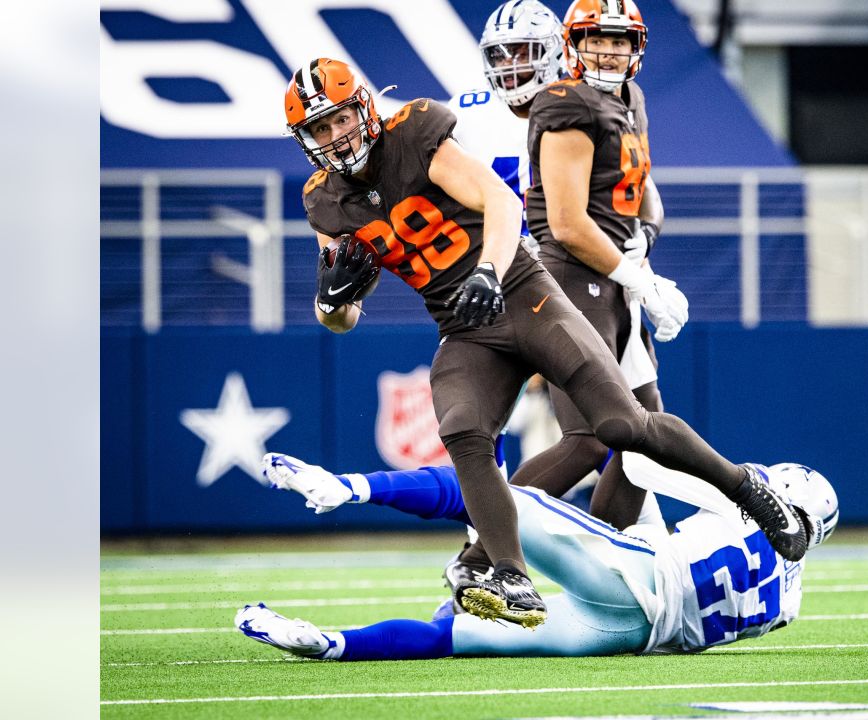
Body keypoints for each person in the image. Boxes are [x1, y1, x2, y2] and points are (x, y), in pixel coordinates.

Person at [284, 57, 809, 628]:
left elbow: (501, 202)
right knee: (462, 428)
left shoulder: (414, 133)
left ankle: (745, 488)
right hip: (463, 326)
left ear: (364, 108)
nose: (334, 136)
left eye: (339, 120)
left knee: (620, 427)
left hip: (521, 289)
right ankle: (508, 571)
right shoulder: (325, 201)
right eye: (319, 128)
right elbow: (343, 318)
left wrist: (487, 269)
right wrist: (330, 302)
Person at [451, 0, 688, 585]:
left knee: (638, 434)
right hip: (521, 286)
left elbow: (642, 189)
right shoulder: (466, 119)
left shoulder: (595, 102)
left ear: (557, 50)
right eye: (501, 56)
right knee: (591, 438)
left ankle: (598, 570)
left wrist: (641, 244)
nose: (511, 68)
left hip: (596, 278)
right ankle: (478, 558)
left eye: (524, 53)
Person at [236, 453, 839, 660]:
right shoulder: (790, 601)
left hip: (632, 575)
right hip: (626, 634)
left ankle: (349, 487)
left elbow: (648, 460)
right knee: (453, 638)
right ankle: (330, 643)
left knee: (495, 496)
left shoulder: (746, 507)